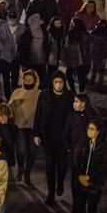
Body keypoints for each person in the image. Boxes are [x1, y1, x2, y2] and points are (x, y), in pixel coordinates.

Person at [34, 73, 74, 205]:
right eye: (56, 82)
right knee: (50, 167)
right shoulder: (45, 95)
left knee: (62, 165)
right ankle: (50, 194)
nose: (58, 85)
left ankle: (60, 182)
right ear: (52, 82)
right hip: (48, 137)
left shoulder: (69, 96)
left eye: (60, 82)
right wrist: (36, 134)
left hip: (63, 137)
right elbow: (38, 114)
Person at [71, 119, 107, 213]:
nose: (89, 131)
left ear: (97, 132)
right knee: (80, 204)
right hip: (81, 180)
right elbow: (76, 161)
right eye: (88, 128)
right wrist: (80, 175)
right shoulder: (82, 144)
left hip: (94, 183)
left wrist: (90, 176)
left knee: (92, 208)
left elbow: (103, 166)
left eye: (92, 129)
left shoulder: (102, 148)